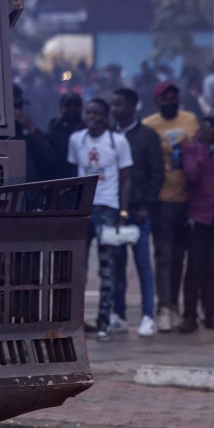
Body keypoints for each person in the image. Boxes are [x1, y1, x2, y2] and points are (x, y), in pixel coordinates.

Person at [68, 97, 133, 340]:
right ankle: (77, 321)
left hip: (108, 209)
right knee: (78, 267)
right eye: (89, 113)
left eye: (97, 114)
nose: (92, 118)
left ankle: (104, 320)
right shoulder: (76, 140)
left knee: (108, 268)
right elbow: (72, 174)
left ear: (106, 118)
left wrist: (123, 214)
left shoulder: (118, 142)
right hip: (84, 208)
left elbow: (126, 179)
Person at [143, 80, 201, 332]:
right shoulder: (149, 125)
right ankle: (163, 307)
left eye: (173, 97)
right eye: (164, 98)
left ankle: (175, 306)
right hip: (162, 199)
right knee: (164, 256)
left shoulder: (190, 120)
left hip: (189, 199)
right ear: (157, 101)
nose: (170, 101)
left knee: (180, 257)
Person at [109, 87, 165, 337]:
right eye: (113, 105)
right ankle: (118, 314)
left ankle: (147, 316)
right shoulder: (108, 135)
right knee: (116, 263)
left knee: (143, 263)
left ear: (133, 107)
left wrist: (146, 205)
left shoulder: (147, 136)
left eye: (120, 104)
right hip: (114, 210)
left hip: (139, 210)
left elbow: (157, 174)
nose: (115, 109)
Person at [180, 116, 214, 331]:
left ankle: (212, 313)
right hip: (198, 216)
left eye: (211, 129)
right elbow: (192, 174)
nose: (207, 132)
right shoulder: (190, 147)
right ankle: (189, 316)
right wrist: (202, 146)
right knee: (194, 267)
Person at [11, 84, 56, 183]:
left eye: (19, 106)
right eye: (14, 106)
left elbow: (47, 159)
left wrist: (30, 128)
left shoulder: (26, 131)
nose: (18, 111)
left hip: (28, 190)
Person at [44, 92, 85, 179]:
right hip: (59, 179)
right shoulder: (53, 131)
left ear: (81, 108)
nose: (72, 110)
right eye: (68, 107)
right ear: (61, 108)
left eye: (75, 107)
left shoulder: (87, 131)